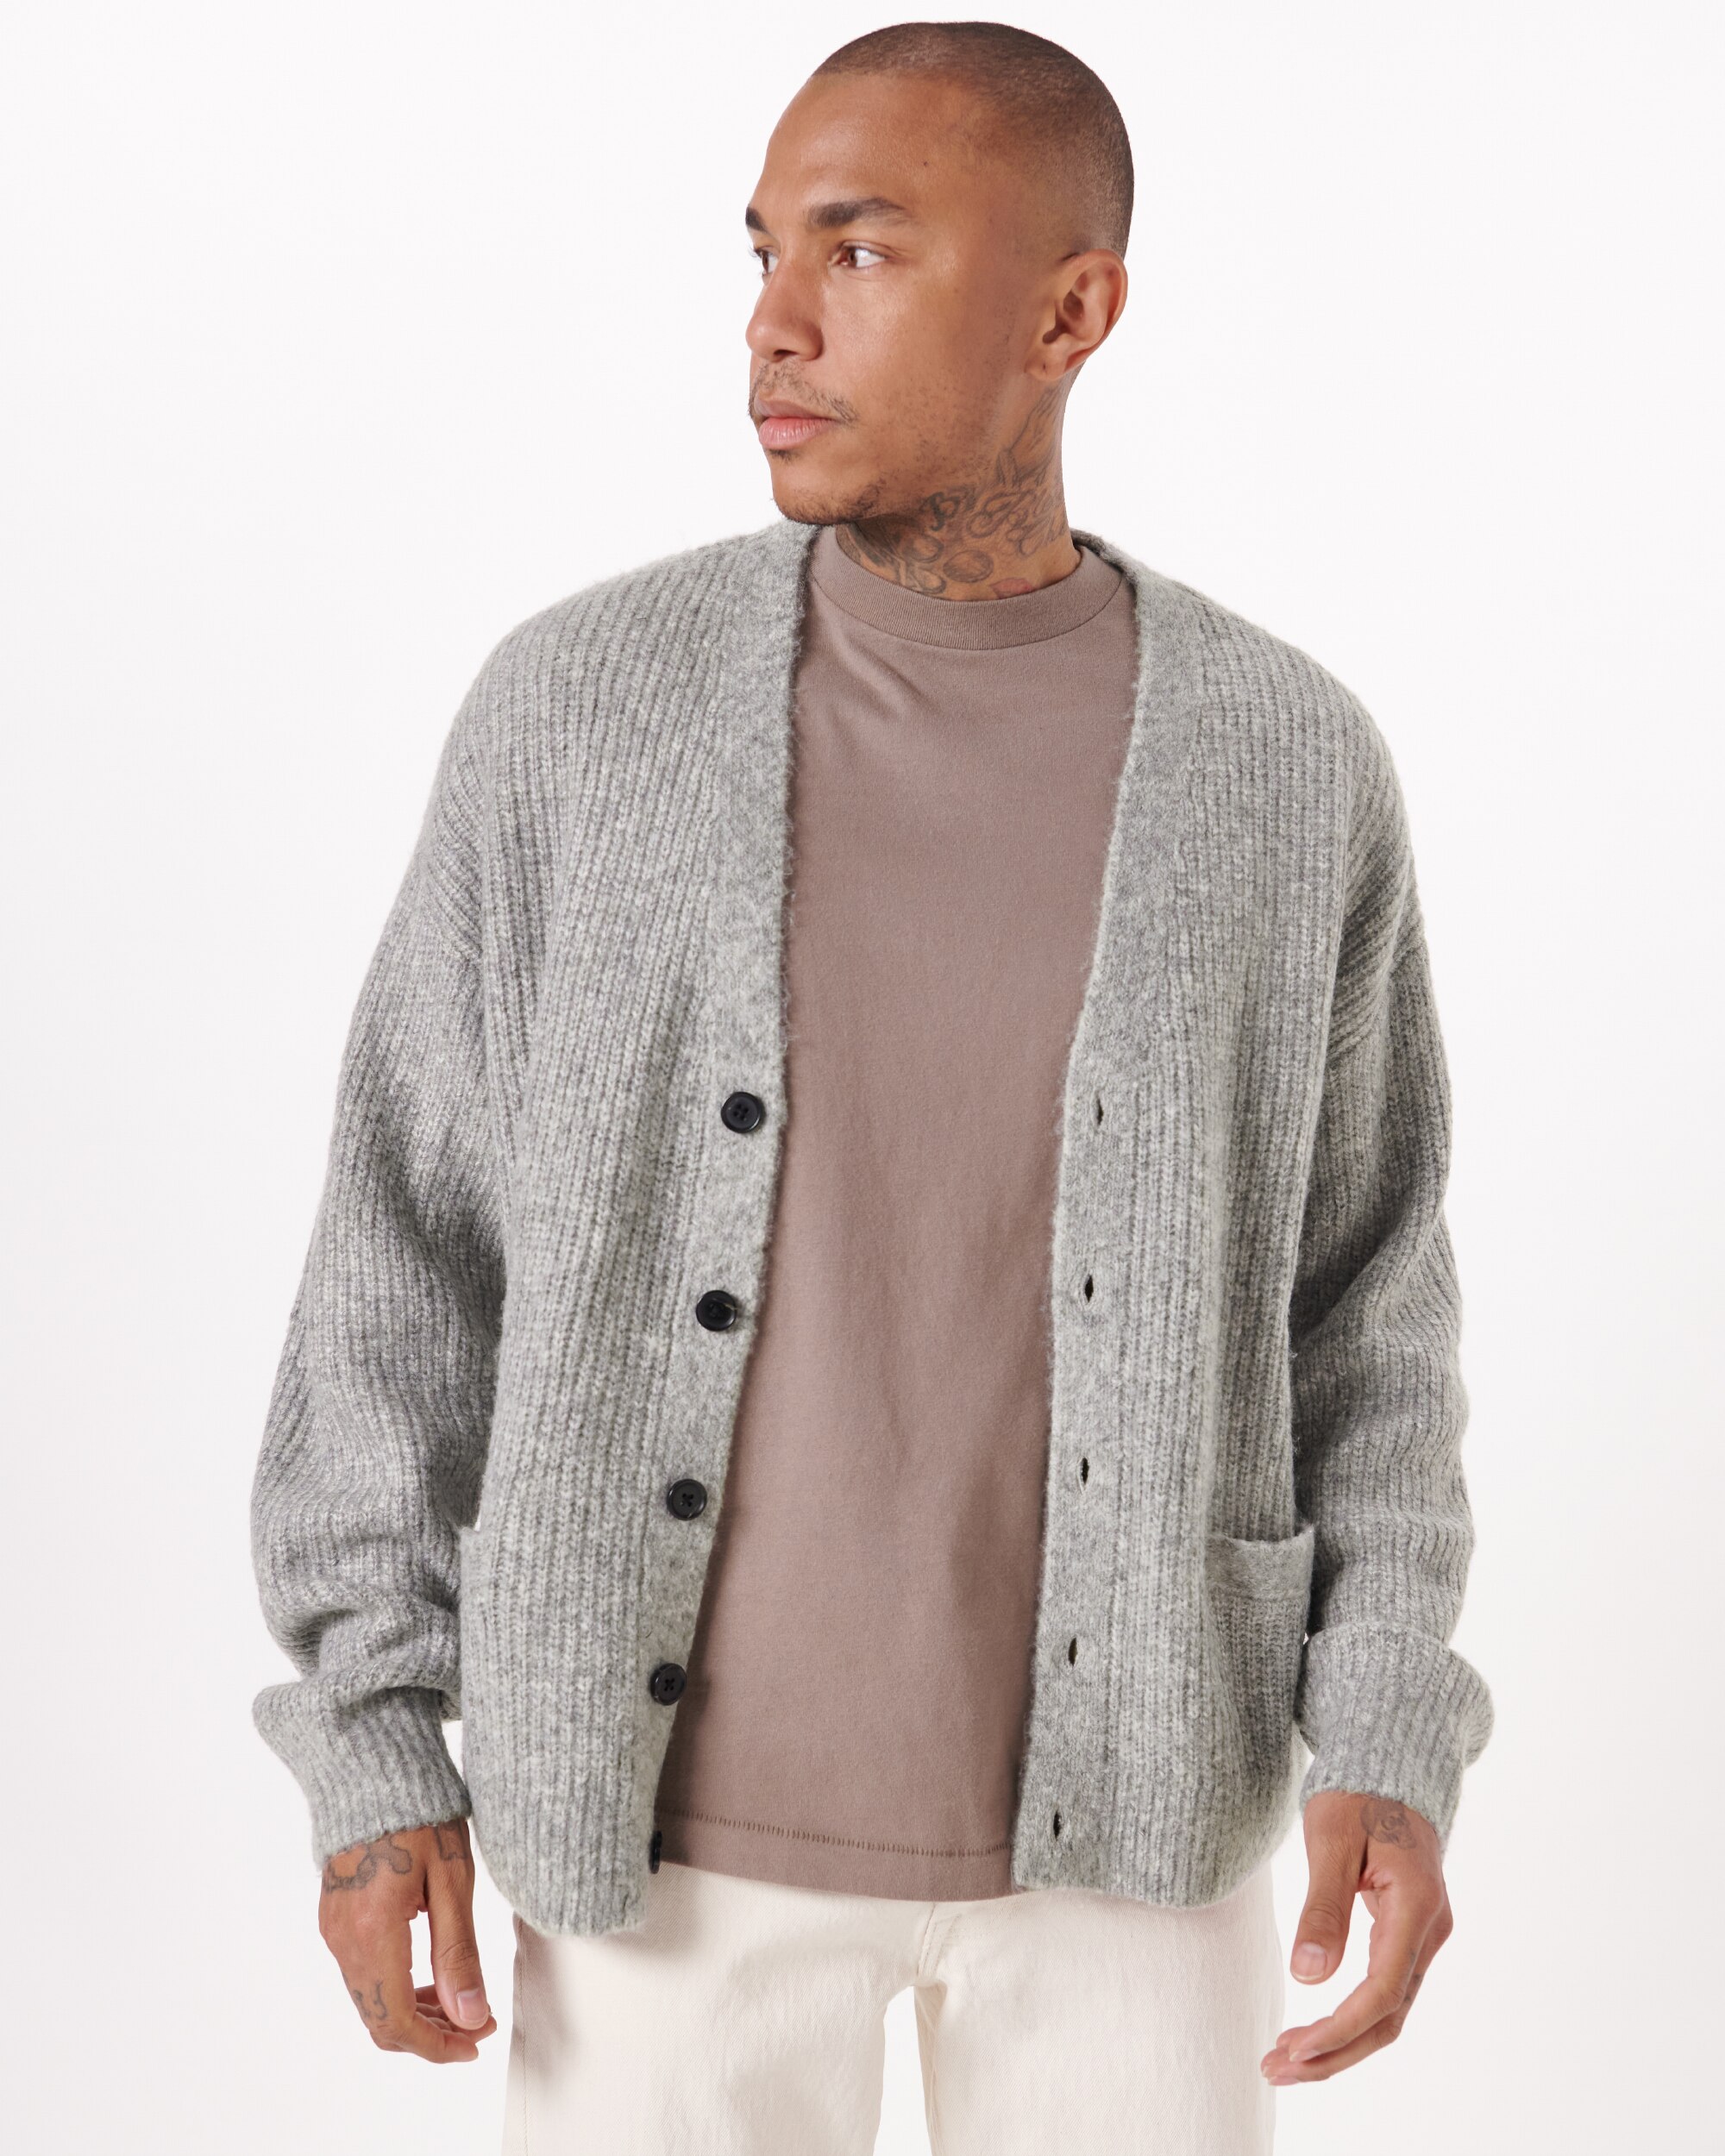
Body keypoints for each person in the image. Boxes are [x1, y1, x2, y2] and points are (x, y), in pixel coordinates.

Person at [248, 21, 1493, 2153]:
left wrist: (1385, 1717)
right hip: (657, 1845)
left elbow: (1366, 1297)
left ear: (1070, 311)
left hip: (1140, 1837)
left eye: (861, 249)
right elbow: (405, 1245)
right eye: (762, 252)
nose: (774, 322)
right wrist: (373, 1744)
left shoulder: (1285, 763)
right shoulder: (583, 712)